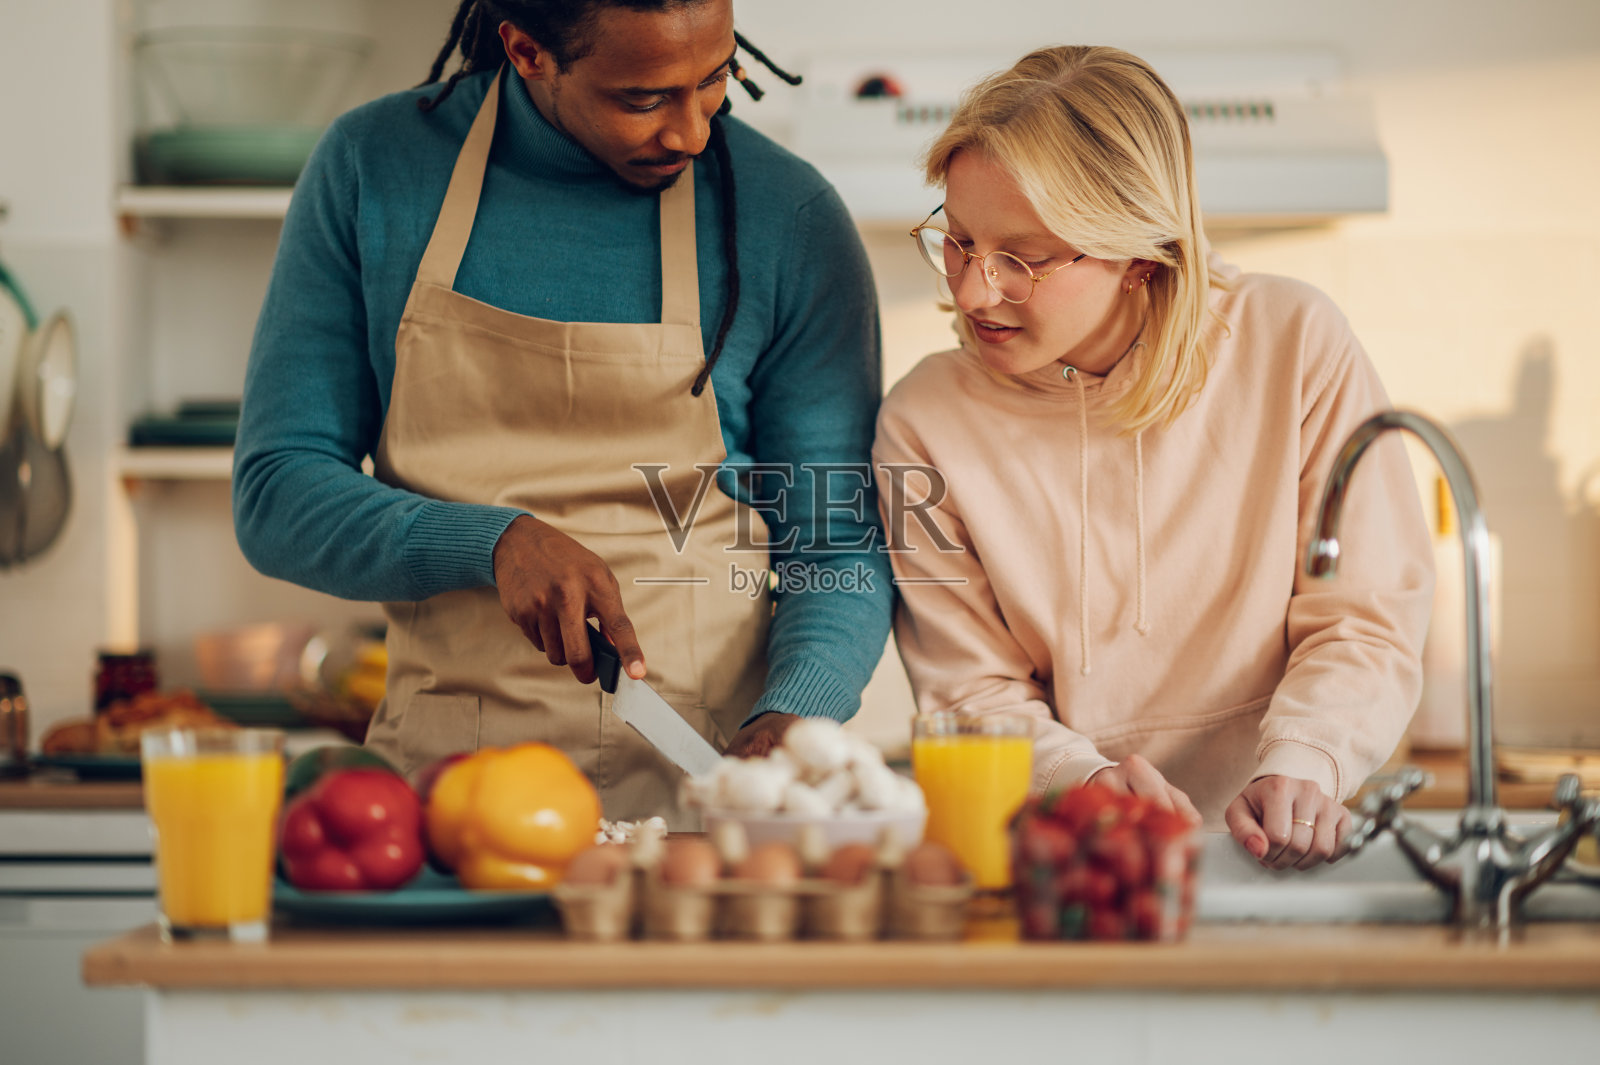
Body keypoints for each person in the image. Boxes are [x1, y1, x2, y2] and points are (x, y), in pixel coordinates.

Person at [232, 0, 892, 826]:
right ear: (526, 51)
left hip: (704, 808)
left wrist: (794, 715)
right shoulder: (374, 169)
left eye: (717, 77)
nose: (691, 131)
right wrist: (493, 541)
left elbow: (836, 544)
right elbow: (276, 490)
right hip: (441, 809)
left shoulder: (783, 214)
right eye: (644, 98)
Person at [873, 45, 1433, 870]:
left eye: (1020, 260)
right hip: (1069, 861)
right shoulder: (925, 420)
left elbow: (1365, 613)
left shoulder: (1294, 345)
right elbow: (972, 688)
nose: (971, 291)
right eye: (956, 241)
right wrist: (1082, 779)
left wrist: (1306, 760)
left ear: (1139, 253)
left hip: (1275, 854)